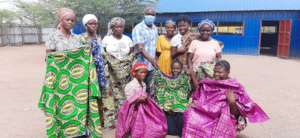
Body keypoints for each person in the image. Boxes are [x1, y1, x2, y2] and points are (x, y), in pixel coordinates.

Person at [39, 8, 102, 138]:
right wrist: (63, 59)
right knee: (62, 106)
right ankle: (63, 132)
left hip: (77, 82)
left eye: (73, 20)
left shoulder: (78, 38)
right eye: (68, 19)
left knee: (78, 105)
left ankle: (78, 131)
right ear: (60, 20)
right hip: (60, 80)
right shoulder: (53, 37)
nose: (71, 22)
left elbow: (85, 55)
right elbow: (49, 59)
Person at [182, 60, 269, 138]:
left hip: (225, 115)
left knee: (224, 116)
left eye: (220, 72)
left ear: (228, 72)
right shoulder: (209, 83)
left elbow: (236, 114)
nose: (216, 74)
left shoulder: (235, 87)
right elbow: (200, 98)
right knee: (190, 112)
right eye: (215, 72)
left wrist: (232, 102)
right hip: (207, 111)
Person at [116, 63, 167, 138]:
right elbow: (129, 101)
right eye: (141, 72)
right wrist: (138, 99)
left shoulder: (144, 84)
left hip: (143, 107)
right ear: (134, 73)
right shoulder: (130, 85)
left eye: (145, 72)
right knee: (135, 122)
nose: (144, 74)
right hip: (133, 109)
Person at [101, 17, 135, 129]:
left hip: (126, 75)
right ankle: (112, 122)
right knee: (112, 97)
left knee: (124, 96)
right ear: (112, 28)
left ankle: (124, 120)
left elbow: (131, 56)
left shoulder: (127, 40)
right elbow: (104, 56)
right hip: (111, 75)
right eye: (116, 26)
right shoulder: (106, 40)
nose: (119, 29)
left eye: (121, 26)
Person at [153, 59, 192, 137]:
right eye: (174, 68)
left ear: (181, 69)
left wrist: (189, 74)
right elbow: (159, 84)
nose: (175, 70)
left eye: (177, 68)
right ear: (171, 68)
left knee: (179, 125)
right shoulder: (162, 79)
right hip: (167, 109)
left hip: (179, 108)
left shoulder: (184, 78)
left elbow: (188, 89)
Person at [132, 6, 158, 95]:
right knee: (140, 90)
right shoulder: (138, 28)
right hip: (141, 65)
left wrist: (155, 60)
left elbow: (155, 46)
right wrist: (152, 60)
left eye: (152, 14)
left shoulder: (155, 28)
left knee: (150, 90)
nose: (150, 16)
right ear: (144, 15)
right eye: (148, 14)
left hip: (152, 66)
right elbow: (140, 48)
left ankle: (149, 108)